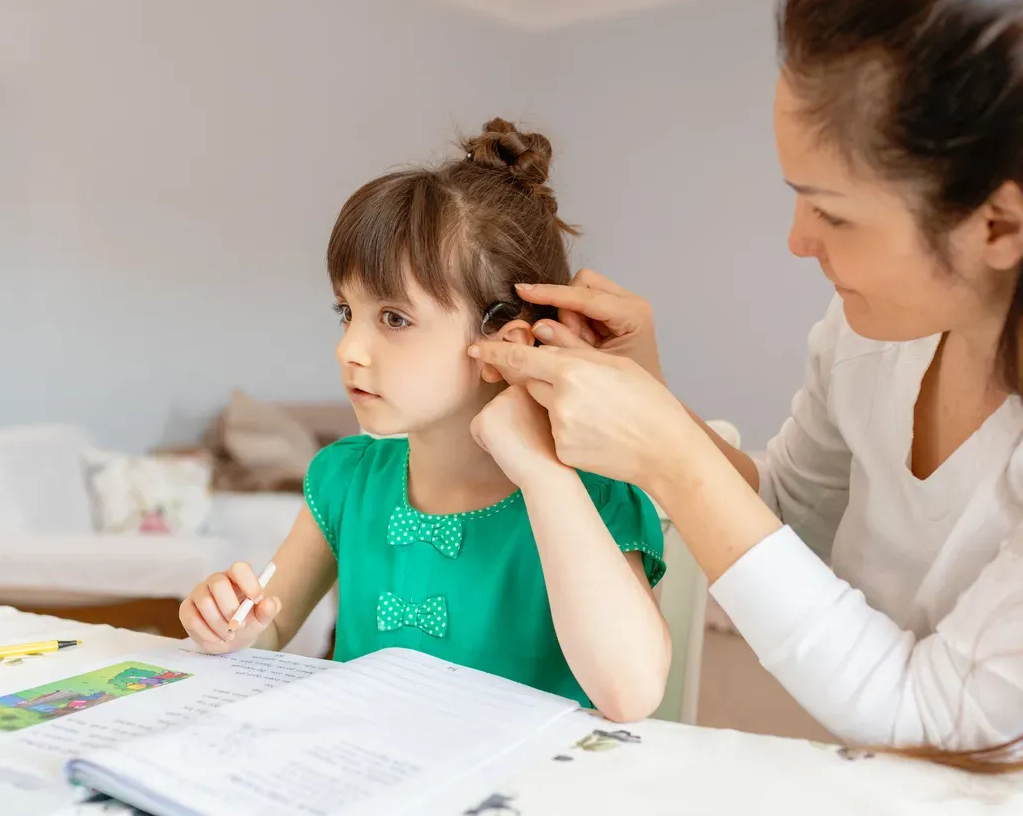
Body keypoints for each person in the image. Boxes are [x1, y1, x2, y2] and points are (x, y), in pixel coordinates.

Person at [471, 0, 1023, 798]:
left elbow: (929, 713)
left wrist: (674, 461)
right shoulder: (870, 334)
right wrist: (650, 396)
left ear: (998, 225)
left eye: (831, 212)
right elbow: (788, 510)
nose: (797, 241)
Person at [179, 119, 670, 723]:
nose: (348, 349)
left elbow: (631, 694)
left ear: (502, 348)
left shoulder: (592, 493)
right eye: (346, 312)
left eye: (393, 319)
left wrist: (544, 475)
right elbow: (273, 628)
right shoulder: (345, 480)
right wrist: (228, 628)